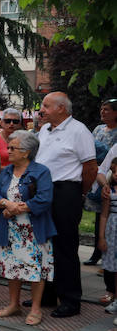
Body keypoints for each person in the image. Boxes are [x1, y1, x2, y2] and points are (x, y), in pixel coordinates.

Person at [35, 92, 97, 317]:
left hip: (66, 191)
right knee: (45, 245)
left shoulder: (78, 130)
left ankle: (71, 300)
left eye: (46, 105)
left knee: (65, 247)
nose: (41, 110)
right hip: (45, 191)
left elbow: (90, 167)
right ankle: (49, 294)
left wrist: (78, 192)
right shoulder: (45, 130)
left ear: (61, 108)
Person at [0, 131, 56, 325]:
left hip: (33, 230)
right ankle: (13, 304)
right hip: (9, 229)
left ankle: (35, 309)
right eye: (8, 147)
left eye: (12, 148)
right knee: (12, 266)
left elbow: (44, 199)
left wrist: (17, 208)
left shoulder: (41, 171)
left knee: (35, 269)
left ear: (26, 152)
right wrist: (4, 203)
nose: (7, 151)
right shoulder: (6, 171)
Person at [85, 98, 117, 265]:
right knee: (100, 216)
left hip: (113, 176)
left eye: (107, 109)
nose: (103, 112)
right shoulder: (97, 129)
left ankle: (109, 255)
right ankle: (97, 252)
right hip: (98, 175)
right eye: (102, 109)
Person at [98, 157, 117, 313]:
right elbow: (104, 215)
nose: (116, 174)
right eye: (114, 171)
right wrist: (101, 237)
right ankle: (114, 295)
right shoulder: (109, 191)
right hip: (112, 231)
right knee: (113, 267)